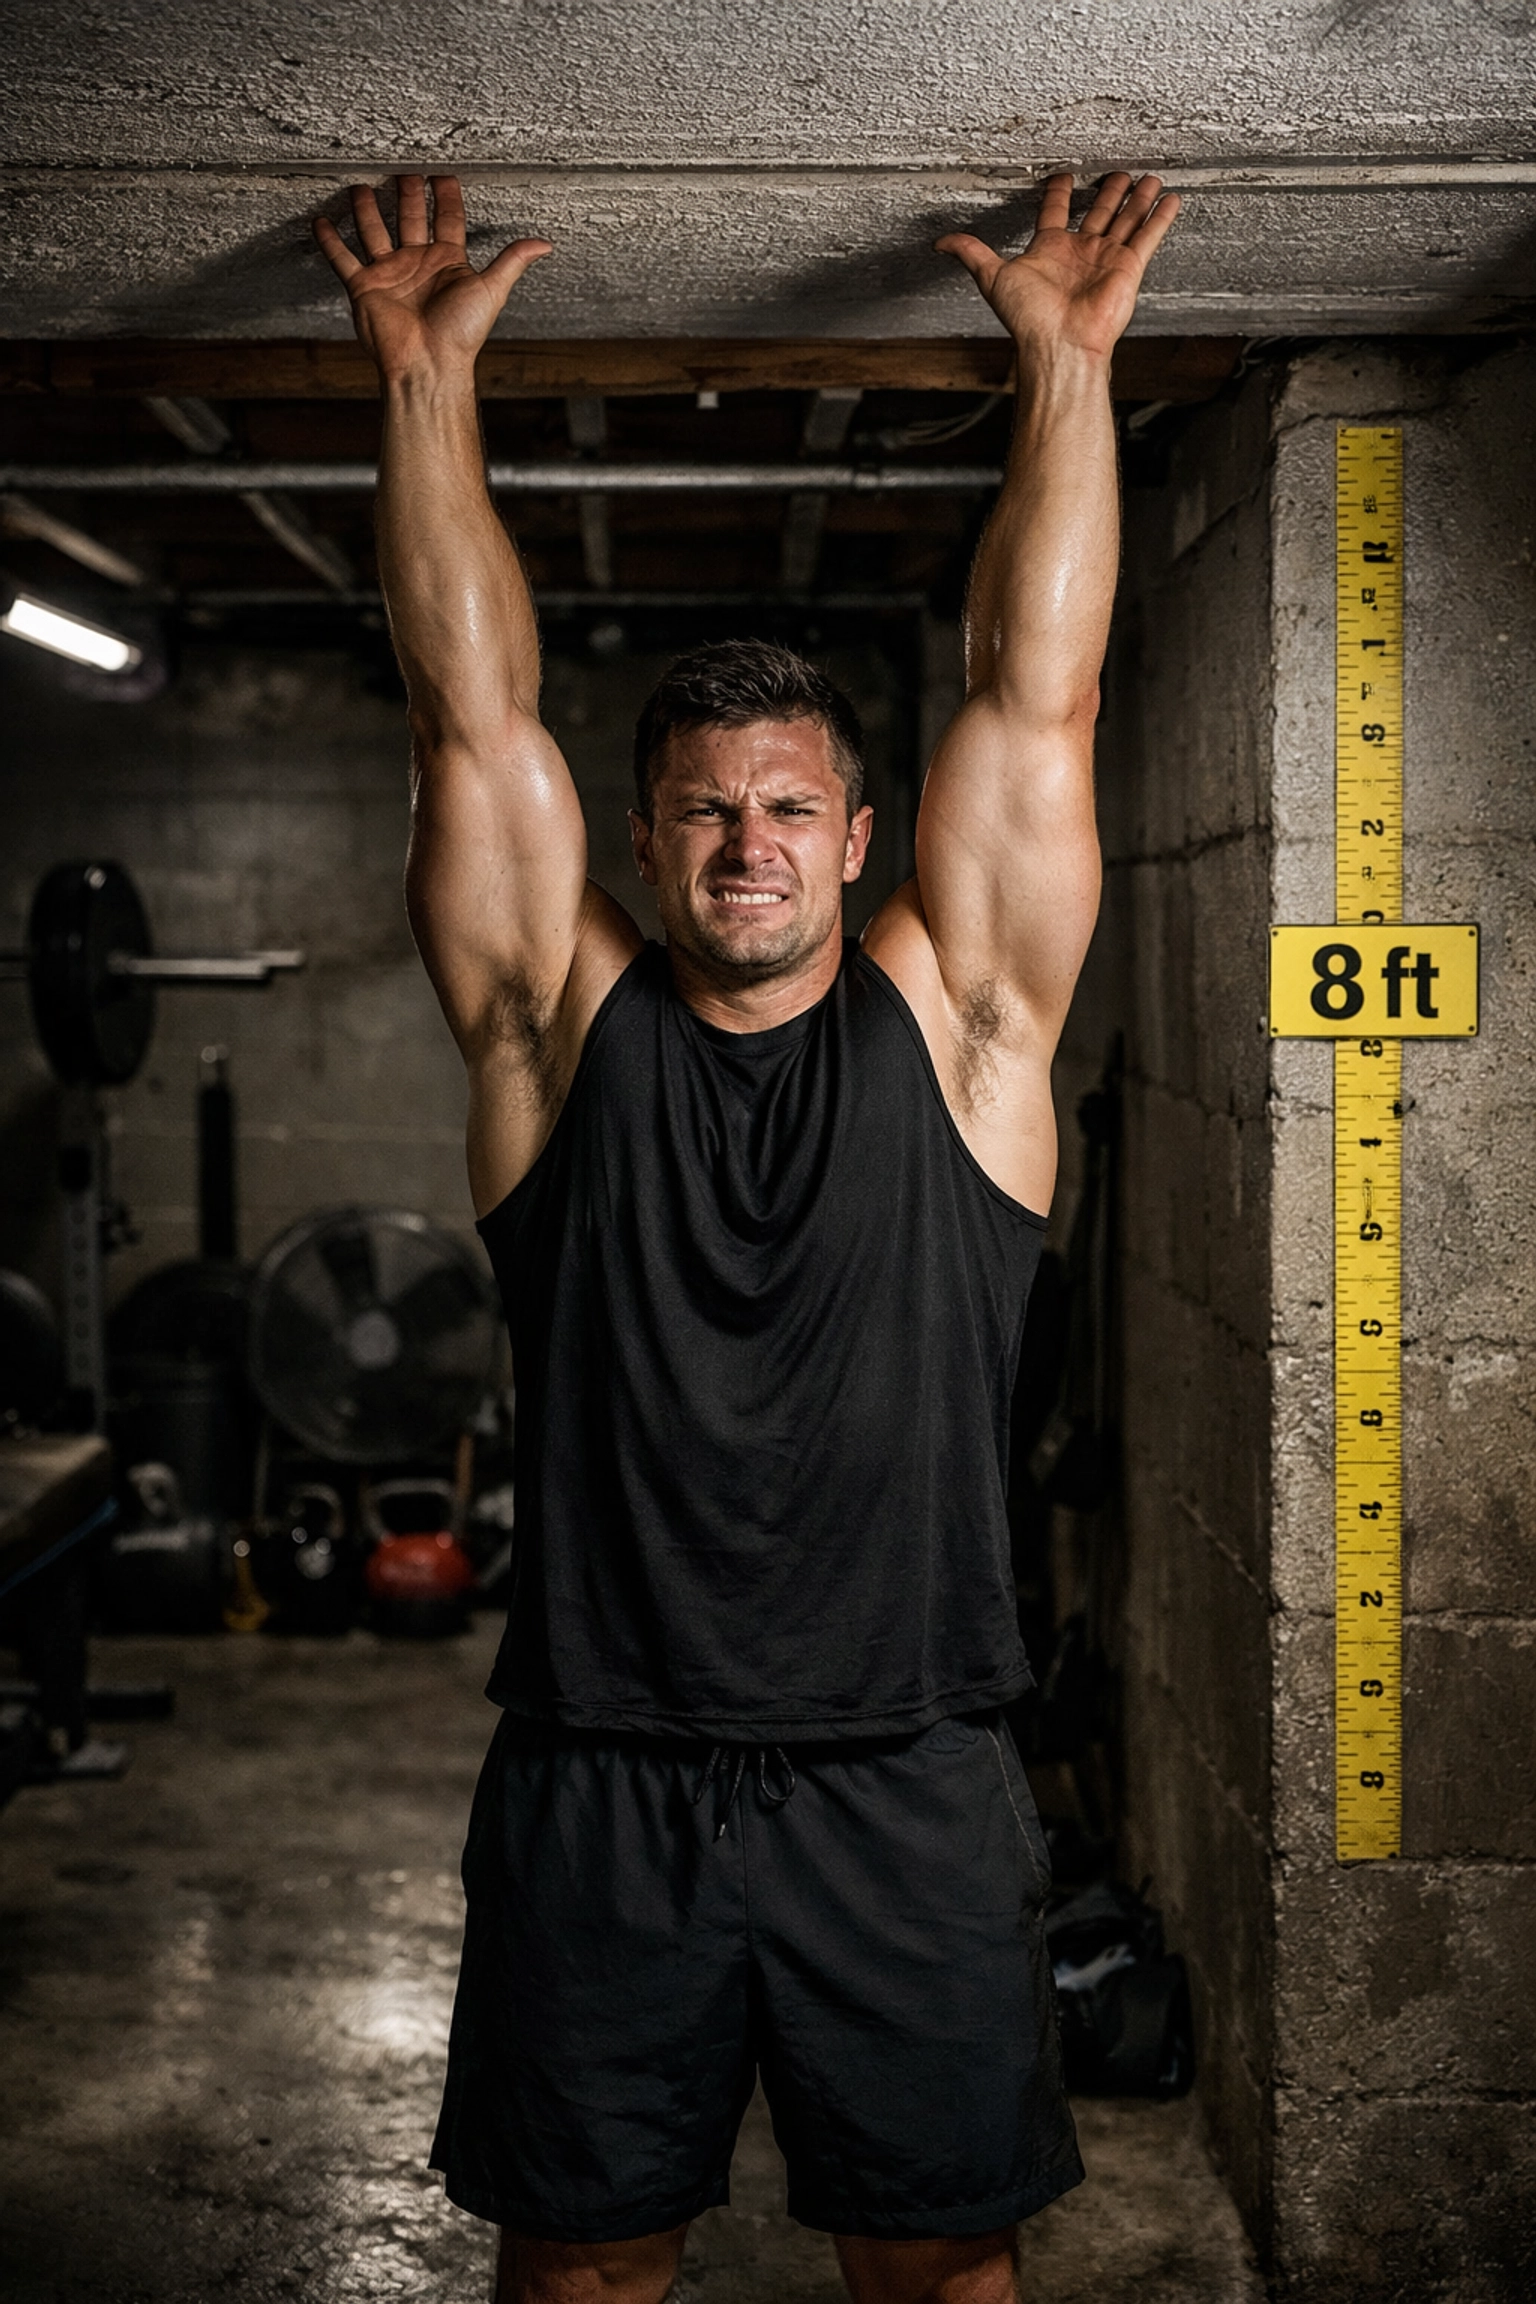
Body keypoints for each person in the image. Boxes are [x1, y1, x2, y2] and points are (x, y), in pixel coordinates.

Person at [316, 165, 1179, 2304]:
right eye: (705, 808)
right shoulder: (556, 1033)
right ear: (646, 836)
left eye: (790, 807)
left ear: (858, 836)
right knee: (584, 2275)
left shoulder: (967, 1029)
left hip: (910, 1773)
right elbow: (468, 722)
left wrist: (1068, 366)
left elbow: (1042, 703)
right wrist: (421, 381)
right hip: (605, 1775)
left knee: (940, 2276)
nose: (749, 845)